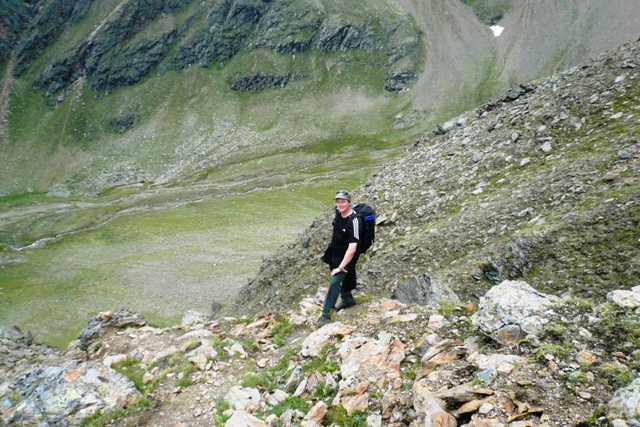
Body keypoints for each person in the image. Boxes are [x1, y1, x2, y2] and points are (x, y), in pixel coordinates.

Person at [318, 190, 361, 328]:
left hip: (347, 256)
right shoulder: (338, 214)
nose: (340, 204)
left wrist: (341, 266)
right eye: (338, 201)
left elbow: (353, 248)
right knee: (343, 276)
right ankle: (348, 299)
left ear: (350, 202)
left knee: (335, 281)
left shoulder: (354, 221)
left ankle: (326, 314)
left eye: (343, 201)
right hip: (335, 253)